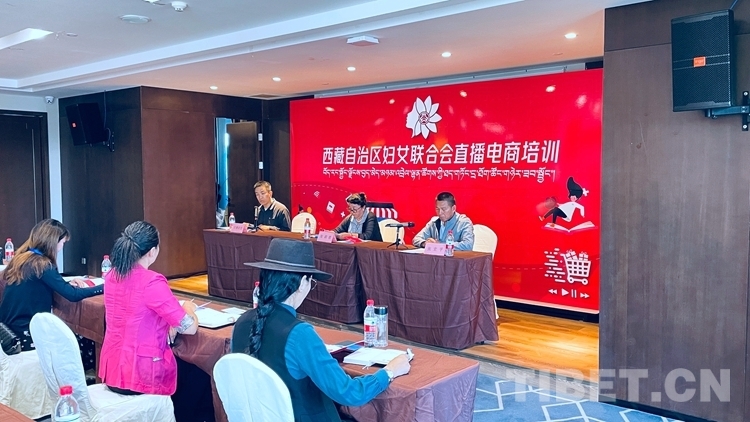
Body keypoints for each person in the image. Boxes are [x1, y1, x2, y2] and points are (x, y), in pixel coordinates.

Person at [231, 238, 410, 421]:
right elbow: (350, 393)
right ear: (303, 283)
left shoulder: (242, 322)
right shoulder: (298, 334)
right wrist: (389, 372)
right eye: (311, 282)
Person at [98, 221, 199, 399]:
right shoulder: (151, 281)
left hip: (112, 370)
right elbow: (189, 328)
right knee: (197, 377)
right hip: (142, 373)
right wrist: (188, 308)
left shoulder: (112, 275)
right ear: (152, 251)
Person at [0, 219, 102, 369]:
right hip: (25, 333)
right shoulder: (42, 265)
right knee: (84, 341)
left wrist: (66, 283)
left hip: (8, 330)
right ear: (54, 241)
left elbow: (43, 283)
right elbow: (72, 295)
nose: (61, 248)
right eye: (63, 243)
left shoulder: (22, 259)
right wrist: (103, 287)